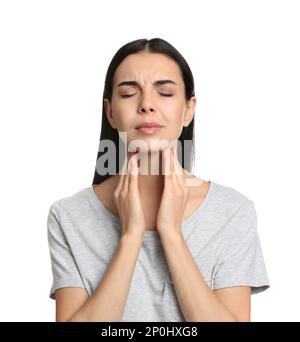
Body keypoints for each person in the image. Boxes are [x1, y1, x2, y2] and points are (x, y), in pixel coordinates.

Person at [47, 38, 270, 322]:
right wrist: (131, 235)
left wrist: (171, 233)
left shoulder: (232, 211)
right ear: (111, 113)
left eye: (164, 92)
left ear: (188, 110)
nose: (147, 105)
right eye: (129, 94)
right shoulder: (68, 216)